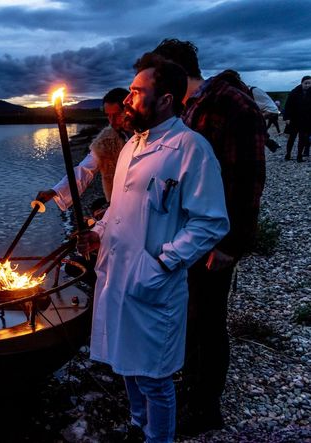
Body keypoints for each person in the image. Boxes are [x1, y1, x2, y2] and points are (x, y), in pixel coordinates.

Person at [77, 53, 229, 443]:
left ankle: (158, 438)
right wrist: (98, 232)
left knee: (155, 376)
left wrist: (163, 261)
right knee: (126, 364)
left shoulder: (190, 148)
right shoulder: (132, 146)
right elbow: (119, 208)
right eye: (129, 91)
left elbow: (211, 221)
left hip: (152, 280)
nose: (127, 99)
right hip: (117, 273)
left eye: (136, 92)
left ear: (164, 99)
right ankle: (137, 426)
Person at [151, 38, 267, 434]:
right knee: (189, 316)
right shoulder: (189, 107)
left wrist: (231, 244)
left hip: (215, 240)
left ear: (173, 70)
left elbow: (248, 178)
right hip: (188, 234)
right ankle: (190, 390)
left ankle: (205, 409)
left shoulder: (233, 105)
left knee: (208, 319)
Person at [36, 87, 131, 213]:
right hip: (119, 210)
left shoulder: (149, 137)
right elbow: (85, 170)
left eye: (117, 115)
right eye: (108, 116)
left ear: (129, 110)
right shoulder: (107, 140)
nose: (112, 122)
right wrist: (54, 191)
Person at [283, 76, 311, 161]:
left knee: (303, 138)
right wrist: (287, 118)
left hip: (305, 119)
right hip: (294, 119)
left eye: (309, 83)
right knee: (292, 138)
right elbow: (287, 106)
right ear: (302, 83)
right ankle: (288, 154)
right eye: (306, 83)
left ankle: (299, 156)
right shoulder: (294, 92)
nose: (307, 85)